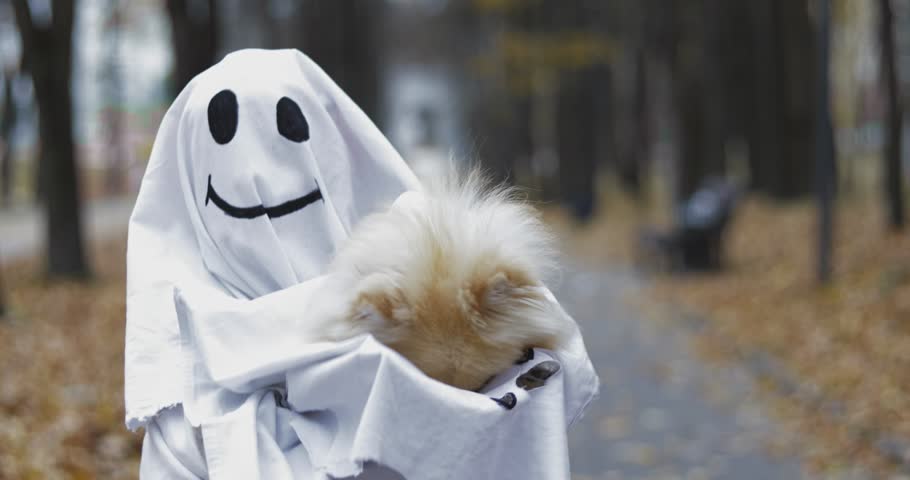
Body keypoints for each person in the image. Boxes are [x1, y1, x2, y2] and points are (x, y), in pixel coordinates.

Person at [126, 49, 598, 479]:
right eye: (223, 129)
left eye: (287, 127)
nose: (254, 169)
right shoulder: (186, 365)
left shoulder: (432, 274)